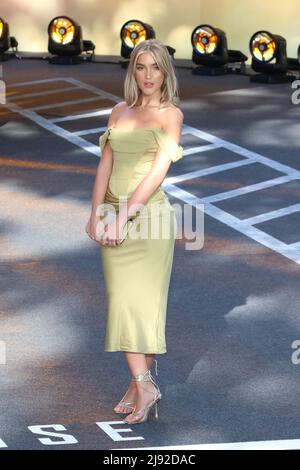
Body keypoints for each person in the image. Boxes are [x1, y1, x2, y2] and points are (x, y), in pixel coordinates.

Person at [86, 38, 184, 424]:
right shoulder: (119, 111)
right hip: (112, 215)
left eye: (155, 68)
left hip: (148, 221)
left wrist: (121, 217)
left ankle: (144, 384)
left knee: (142, 304)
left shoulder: (170, 115)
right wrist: (97, 214)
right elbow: (105, 166)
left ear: (165, 73)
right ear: (133, 71)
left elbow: (157, 173)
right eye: (141, 67)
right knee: (123, 301)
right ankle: (138, 382)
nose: (148, 75)